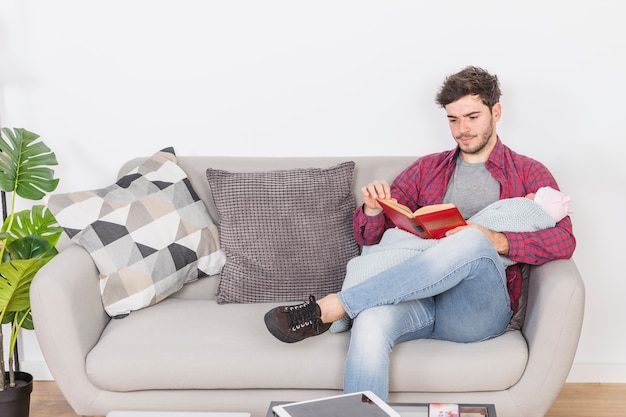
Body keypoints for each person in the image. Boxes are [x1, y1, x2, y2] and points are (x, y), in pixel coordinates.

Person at [263, 66, 576, 401]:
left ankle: (334, 306)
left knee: (470, 238)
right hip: (417, 302)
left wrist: (496, 239)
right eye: (453, 120)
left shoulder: (528, 172)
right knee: (369, 321)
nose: (462, 129)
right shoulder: (428, 169)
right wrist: (373, 208)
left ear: (495, 112)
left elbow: (565, 240)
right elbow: (371, 239)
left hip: (475, 311)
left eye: (472, 117)